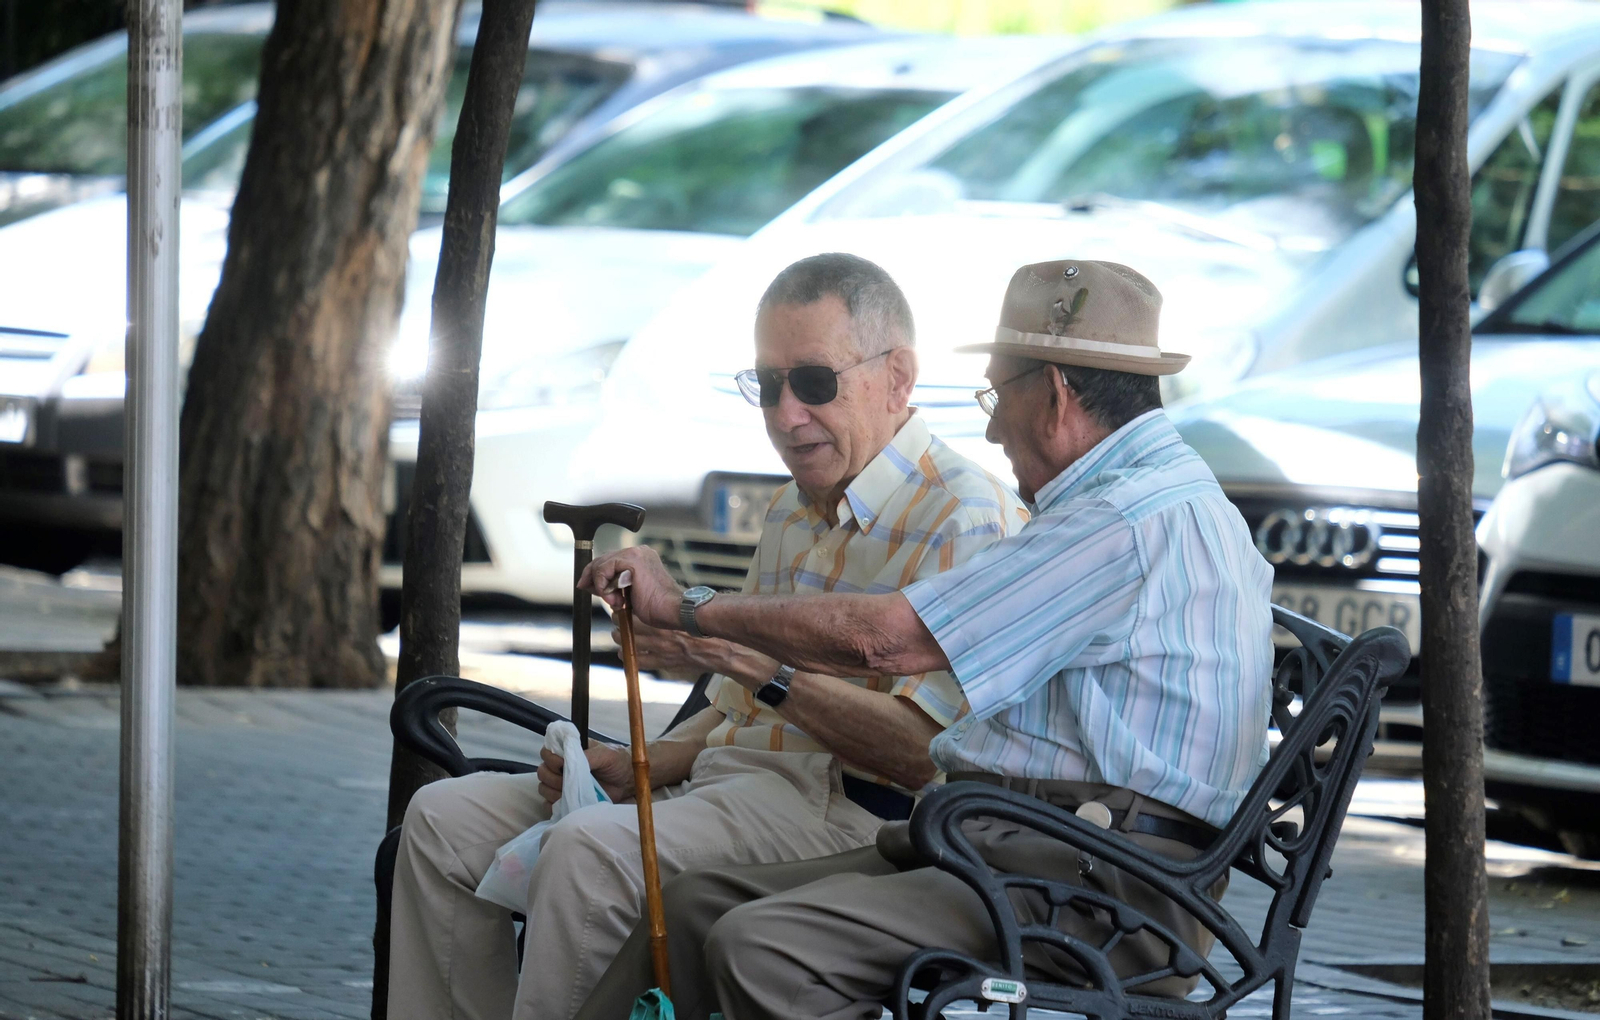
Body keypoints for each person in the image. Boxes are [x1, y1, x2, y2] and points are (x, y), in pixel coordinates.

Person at [575, 259, 1276, 1020]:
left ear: (1056, 395)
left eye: (997, 395)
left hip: (1100, 890)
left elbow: (886, 642)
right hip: (1021, 848)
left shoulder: (1121, 520)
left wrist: (692, 611)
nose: (990, 426)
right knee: (694, 904)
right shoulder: (1145, 497)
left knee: (764, 945)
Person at [386, 253, 1028, 1020]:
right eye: (767, 386)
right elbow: (737, 718)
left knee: (590, 857)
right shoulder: (797, 507)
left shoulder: (966, 516)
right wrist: (641, 766)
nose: (787, 415)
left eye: (815, 383)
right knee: (441, 821)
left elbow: (920, 756)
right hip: (730, 781)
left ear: (898, 378)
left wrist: (738, 656)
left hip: (848, 811)